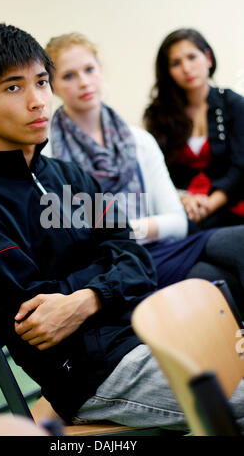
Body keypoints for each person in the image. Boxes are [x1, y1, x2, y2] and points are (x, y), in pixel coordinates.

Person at [0, 24, 244, 432]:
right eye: (14, 88)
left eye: (42, 82)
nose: (37, 101)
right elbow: (35, 314)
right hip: (91, 370)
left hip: (142, 329)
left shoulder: (70, 177)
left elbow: (137, 259)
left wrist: (88, 297)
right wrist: (106, 277)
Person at [45, 32, 244, 314]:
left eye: (89, 70)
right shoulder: (47, 154)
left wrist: (130, 229)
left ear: (101, 70)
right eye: (68, 76)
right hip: (108, 266)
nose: (84, 82)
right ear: (52, 86)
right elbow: (63, 237)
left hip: (161, 248)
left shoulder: (138, 141)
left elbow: (177, 224)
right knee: (215, 280)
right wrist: (134, 232)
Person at [144, 28, 244, 231]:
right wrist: (182, 200)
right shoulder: (159, 114)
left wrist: (209, 205)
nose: (187, 68)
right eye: (176, 63)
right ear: (168, 72)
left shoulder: (233, 104)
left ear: (208, 58)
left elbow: (240, 167)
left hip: (230, 205)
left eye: (192, 57)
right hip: (181, 209)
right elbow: (155, 173)